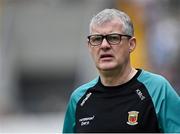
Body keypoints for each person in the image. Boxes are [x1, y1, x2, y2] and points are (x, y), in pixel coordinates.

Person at [62, 9, 180, 133]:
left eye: (113, 38)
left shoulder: (157, 89)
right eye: (96, 39)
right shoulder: (79, 98)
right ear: (89, 46)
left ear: (131, 44)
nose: (104, 45)